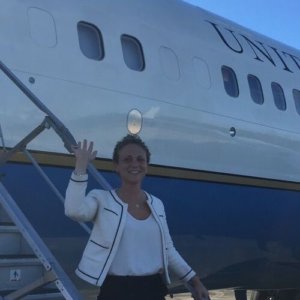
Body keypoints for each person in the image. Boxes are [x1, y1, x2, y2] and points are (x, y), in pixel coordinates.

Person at [65, 134, 210, 300]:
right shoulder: (101, 199)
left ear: (146, 165)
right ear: (116, 166)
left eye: (140, 159)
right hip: (116, 291)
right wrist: (81, 165)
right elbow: (73, 210)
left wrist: (196, 282)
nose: (134, 164)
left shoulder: (157, 204)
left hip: (153, 290)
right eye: (127, 159)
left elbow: (169, 250)